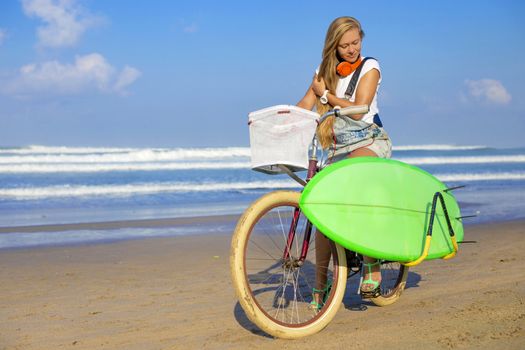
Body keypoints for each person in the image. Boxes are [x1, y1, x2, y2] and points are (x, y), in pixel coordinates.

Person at [296, 16, 392, 308]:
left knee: (355, 180)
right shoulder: (323, 72)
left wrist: (326, 95)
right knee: (321, 210)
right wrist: (281, 117)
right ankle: (321, 286)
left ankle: (372, 264)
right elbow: (304, 107)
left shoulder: (370, 67)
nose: (351, 50)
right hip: (338, 149)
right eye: (344, 45)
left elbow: (359, 107)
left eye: (355, 43)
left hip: (369, 141)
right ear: (333, 46)